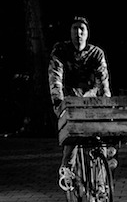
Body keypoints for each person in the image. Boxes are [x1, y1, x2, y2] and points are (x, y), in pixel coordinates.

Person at [48, 16, 113, 192]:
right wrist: (58, 103)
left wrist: (106, 101)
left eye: (82, 29)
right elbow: (55, 77)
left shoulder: (96, 54)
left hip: (91, 101)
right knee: (73, 139)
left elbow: (103, 80)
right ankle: (68, 172)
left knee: (99, 140)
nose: (78, 32)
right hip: (69, 102)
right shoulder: (61, 51)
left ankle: (100, 183)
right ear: (70, 32)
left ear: (87, 33)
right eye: (75, 28)